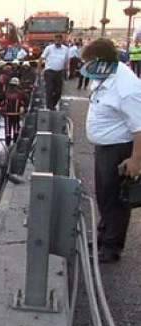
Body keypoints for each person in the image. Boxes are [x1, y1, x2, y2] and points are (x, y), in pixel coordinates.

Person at [81, 38, 141, 263]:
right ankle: (103, 236)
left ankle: (111, 247)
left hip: (119, 149)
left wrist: (136, 160)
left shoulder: (127, 88)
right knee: (104, 196)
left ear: (100, 61)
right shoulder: (105, 75)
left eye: (88, 61)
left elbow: (140, 128)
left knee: (115, 199)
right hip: (105, 147)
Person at [39, 34, 68, 110]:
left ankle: (53, 103)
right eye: (56, 39)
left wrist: (66, 71)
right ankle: (50, 106)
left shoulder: (65, 49)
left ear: (62, 40)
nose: (58, 41)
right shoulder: (49, 48)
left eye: (59, 40)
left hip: (59, 72)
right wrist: (38, 70)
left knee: (58, 91)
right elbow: (41, 58)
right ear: (54, 40)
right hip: (49, 72)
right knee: (49, 89)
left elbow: (66, 61)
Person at [3, 77, 26, 146]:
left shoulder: (6, 93)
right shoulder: (20, 93)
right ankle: (15, 144)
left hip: (8, 114)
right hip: (16, 114)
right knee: (15, 129)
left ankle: (8, 144)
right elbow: (25, 101)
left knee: (8, 130)